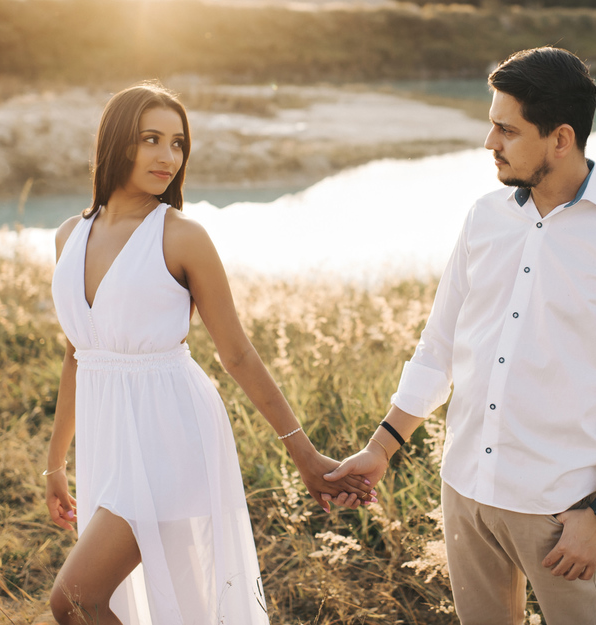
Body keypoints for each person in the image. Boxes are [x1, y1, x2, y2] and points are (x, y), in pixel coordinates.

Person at [325, 47, 596, 625]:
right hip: (465, 489)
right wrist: (381, 447)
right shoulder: (484, 216)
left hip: (558, 508)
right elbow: (438, 345)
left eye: (505, 128)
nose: (489, 142)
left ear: (561, 138)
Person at [43, 82, 370, 625]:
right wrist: (56, 462)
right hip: (108, 435)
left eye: (177, 143)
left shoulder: (181, 237)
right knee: (154, 600)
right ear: (117, 143)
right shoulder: (68, 236)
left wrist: (304, 454)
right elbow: (79, 353)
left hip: (170, 432)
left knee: (75, 600)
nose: (168, 156)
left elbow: (237, 352)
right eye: (151, 139)